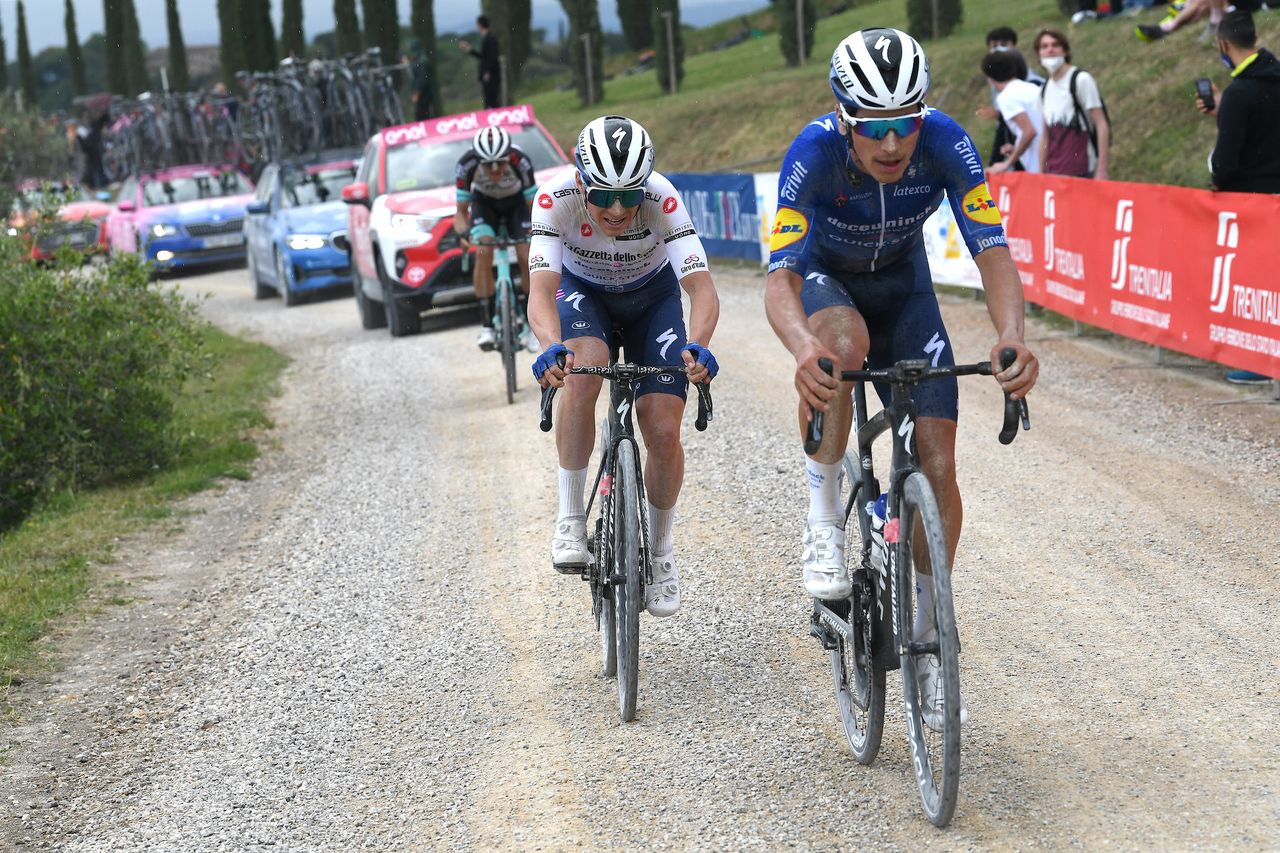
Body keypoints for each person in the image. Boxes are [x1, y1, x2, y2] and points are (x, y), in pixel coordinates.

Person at [762, 28, 1038, 730]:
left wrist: (1012, 338)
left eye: (905, 125)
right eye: (875, 129)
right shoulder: (813, 153)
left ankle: (928, 640)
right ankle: (824, 517)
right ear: (846, 122)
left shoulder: (947, 144)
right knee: (842, 347)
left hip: (906, 292)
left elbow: (994, 254)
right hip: (830, 288)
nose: (892, 145)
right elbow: (780, 282)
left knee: (939, 462)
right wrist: (801, 346)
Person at [528, 115, 721, 618]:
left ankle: (660, 552)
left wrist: (697, 346)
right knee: (583, 363)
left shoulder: (663, 198)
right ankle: (571, 517)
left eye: (630, 197)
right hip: (583, 294)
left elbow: (700, 289)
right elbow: (542, 292)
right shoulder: (555, 199)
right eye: (604, 196)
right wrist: (551, 345)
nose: (617, 209)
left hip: (650, 301)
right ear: (580, 184)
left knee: (661, 426)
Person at [1196, 8, 1280, 385]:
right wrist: (1222, 110)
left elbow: (1227, 160)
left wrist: (1217, 180)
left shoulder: (1239, 92)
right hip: (1274, 196)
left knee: (1257, 285)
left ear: (1223, 44)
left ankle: (1262, 363)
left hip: (1249, 201)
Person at [453, 125, 539, 351]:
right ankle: (487, 324)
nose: (494, 169)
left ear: (508, 157)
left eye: (500, 163)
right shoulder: (466, 164)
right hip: (485, 205)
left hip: (516, 205)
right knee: (482, 252)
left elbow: (534, 206)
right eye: (488, 164)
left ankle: (532, 326)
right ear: (477, 160)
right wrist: (464, 233)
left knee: (526, 254)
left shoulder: (521, 160)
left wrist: (537, 230)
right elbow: (461, 213)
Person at [1034, 28, 1111, 180]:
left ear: (1065, 50)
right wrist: (1040, 174)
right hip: (1054, 172)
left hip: (1083, 169)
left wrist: (1102, 169)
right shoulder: (1043, 90)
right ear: (1039, 54)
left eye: (1055, 45)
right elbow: (1045, 135)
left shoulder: (1081, 80)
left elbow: (1101, 123)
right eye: (1044, 46)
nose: (1050, 50)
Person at [981, 49, 1044, 173]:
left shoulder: (1006, 96)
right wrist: (1015, 148)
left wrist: (1007, 163)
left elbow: (1029, 131)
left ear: (990, 78)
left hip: (1038, 167)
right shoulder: (1030, 87)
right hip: (1050, 159)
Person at [459, 16, 502, 109]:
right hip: (488, 74)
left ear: (480, 25)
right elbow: (483, 57)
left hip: (491, 75)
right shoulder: (487, 38)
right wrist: (469, 50)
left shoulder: (490, 38)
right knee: (488, 100)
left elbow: (492, 58)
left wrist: (487, 71)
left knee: (492, 99)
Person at [406, 39, 437, 121]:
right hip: (426, 95)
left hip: (424, 97)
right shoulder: (422, 60)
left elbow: (421, 79)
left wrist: (417, 93)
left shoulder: (421, 62)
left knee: (423, 117)